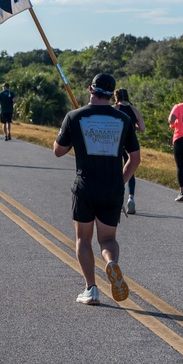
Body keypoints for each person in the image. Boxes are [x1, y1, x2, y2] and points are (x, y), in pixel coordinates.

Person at [54, 73, 141, 306]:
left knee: (83, 238)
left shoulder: (74, 116)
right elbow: (134, 159)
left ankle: (91, 288)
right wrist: (120, 182)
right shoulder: (123, 119)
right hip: (112, 188)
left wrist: (73, 136)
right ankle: (111, 263)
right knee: (108, 240)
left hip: (85, 186)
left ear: (90, 90)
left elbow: (58, 151)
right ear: (111, 93)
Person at [114, 88, 146, 215]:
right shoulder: (134, 110)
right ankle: (131, 197)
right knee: (130, 170)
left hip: (117, 141)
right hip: (130, 143)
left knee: (117, 170)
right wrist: (133, 126)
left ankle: (117, 198)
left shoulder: (114, 109)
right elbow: (142, 128)